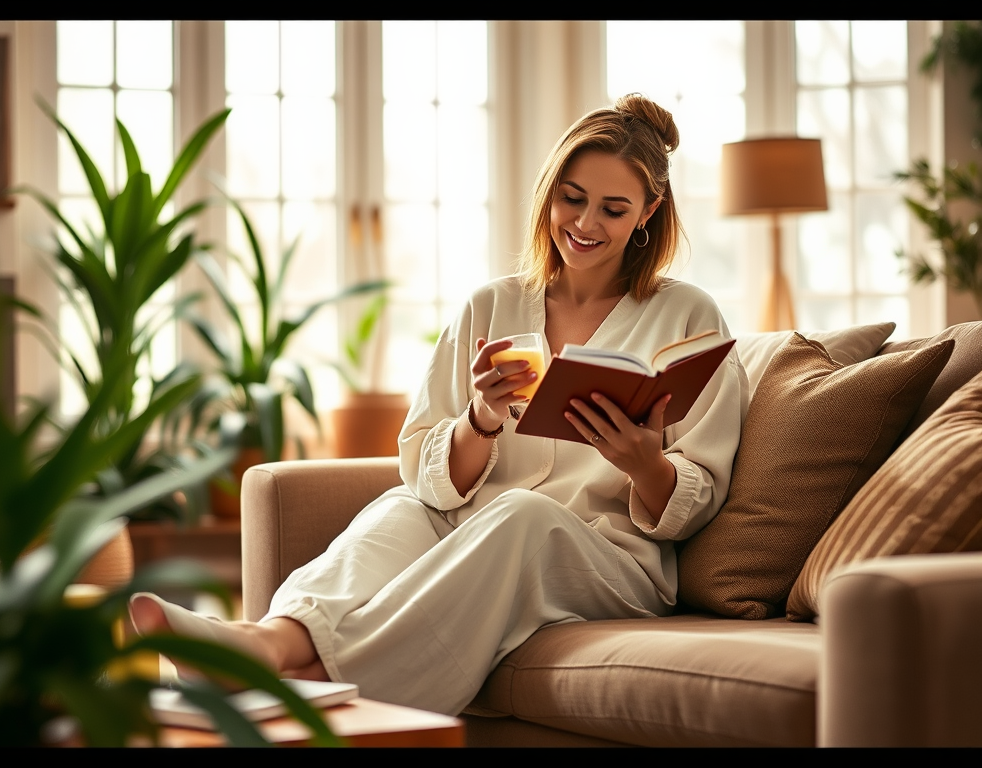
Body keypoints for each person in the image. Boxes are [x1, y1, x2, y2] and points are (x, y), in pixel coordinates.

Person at [129, 93, 748, 716]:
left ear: (650, 209)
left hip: (609, 560)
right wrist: (478, 421)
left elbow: (704, 488)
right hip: (469, 519)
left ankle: (305, 684)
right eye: (571, 199)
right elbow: (420, 465)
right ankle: (266, 642)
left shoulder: (689, 314)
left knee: (522, 515)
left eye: (613, 209)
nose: (585, 224)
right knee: (401, 511)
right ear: (548, 193)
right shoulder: (490, 306)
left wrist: (646, 465)